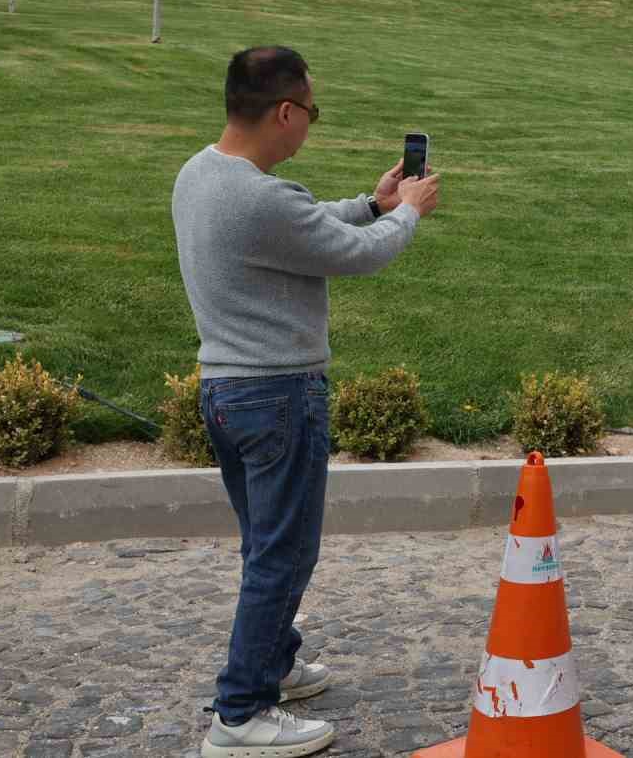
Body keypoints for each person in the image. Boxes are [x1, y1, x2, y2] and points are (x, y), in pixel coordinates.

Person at [172, 46, 440, 757]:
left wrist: (370, 203)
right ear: (285, 112)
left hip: (224, 392)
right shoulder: (263, 197)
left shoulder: (199, 174)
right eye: (311, 113)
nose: (310, 127)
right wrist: (406, 214)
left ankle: (275, 663)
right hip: (278, 396)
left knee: (266, 543)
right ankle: (240, 715)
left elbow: (301, 228)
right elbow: (357, 255)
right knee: (284, 554)